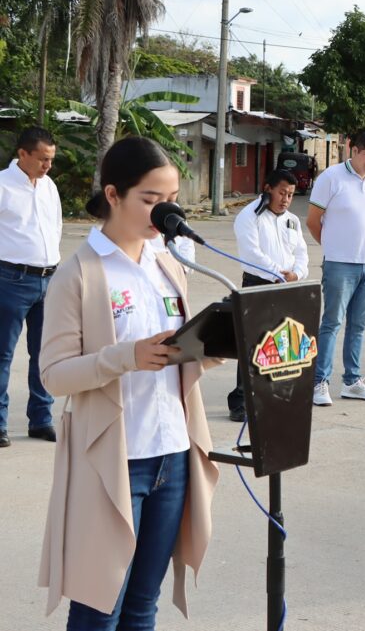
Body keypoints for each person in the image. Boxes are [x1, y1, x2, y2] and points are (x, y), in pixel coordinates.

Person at [38, 136, 220, 628]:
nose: (164, 214)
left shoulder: (167, 265)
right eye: (151, 200)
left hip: (173, 455)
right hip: (114, 459)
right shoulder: (78, 274)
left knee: (143, 605)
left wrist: (208, 349)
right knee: (100, 604)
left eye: (171, 200)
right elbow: (54, 375)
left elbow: (173, 359)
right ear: (113, 195)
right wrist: (127, 357)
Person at [306, 131, 365, 406]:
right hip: (339, 264)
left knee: (359, 326)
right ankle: (320, 382)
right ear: (354, 149)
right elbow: (313, 222)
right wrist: (332, 247)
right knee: (331, 323)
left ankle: (352, 381)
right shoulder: (330, 178)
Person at [227, 169, 309, 422]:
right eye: (282, 192)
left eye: (291, 195)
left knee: (281, 343)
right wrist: (278, 273)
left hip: (286, 286)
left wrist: (296, 273)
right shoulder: (249, 216)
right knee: (251, 343)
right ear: (267, 188)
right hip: (258, 284)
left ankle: (271, 395)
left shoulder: (292, 220)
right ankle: (240, 400)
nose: (286, 199)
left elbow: (302, 253)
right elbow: (251, 254)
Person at [0, 126, 61, 448]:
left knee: (45, 354)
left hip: (48, 279)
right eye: (42, 159)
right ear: (22, 154)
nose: (48, 165)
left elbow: (56, 227)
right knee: (2, 355)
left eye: (51, 159)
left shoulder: (49, 186)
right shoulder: (2, 185)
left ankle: (41, 419)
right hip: (10, 280)